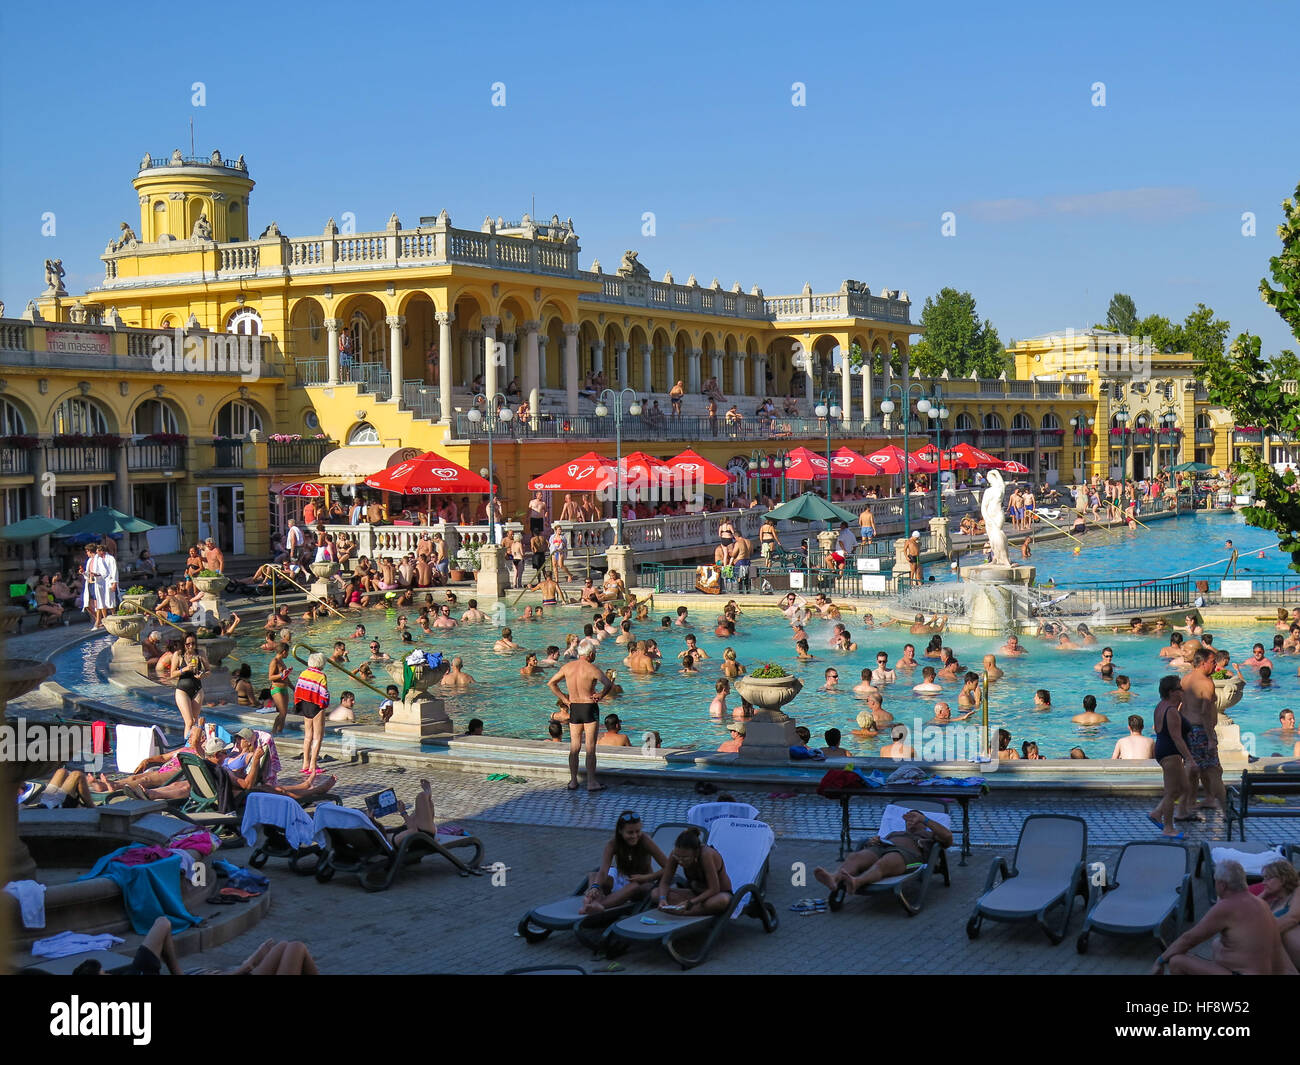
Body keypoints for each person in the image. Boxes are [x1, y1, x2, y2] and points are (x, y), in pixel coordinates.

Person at [1155, 860, 1296, 975]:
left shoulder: (1227, 907)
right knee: (1218, 945)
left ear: (1221, 885)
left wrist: (1160, 960)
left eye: (1215, 881)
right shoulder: (1260, 903)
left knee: (1177, 961)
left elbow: (1189, 939)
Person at [813, 809, 953, 902]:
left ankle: (856, 882)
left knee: (885, 863)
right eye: (908, 818)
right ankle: (834, 878)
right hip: (882, 847)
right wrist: (872, 842)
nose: (910, 820)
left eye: (914, 817)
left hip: (907, 855)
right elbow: (872, 846)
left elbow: (947, 837)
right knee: (855, 857)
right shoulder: (895, 833)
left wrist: (924, 819)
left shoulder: (929, 835)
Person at [548, 646, 614, 792]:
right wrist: (601, 695)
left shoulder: (567, 667)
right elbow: (609, 684)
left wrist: (564, 699)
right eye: (594, 654)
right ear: (590, 654)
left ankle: (573, 781)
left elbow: (551, 683)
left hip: (575, 708)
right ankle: (591, 783)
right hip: (589, 707)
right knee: (590, 747)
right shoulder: (592, 669)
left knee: (574, 746)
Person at [580, 810, 671, 915]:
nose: (635, 836)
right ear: (620, 831)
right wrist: (595, 887)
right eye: (630, 832)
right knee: (594, 875)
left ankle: (597, 904)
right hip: (621, 877)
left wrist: (646, 878)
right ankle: (593, 900)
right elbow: (603, 871)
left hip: (643, 882)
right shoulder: (613, 844)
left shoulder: (645, 841)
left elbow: (669, 867)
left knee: (633, 886)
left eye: (638, 831)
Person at [1180, 647, 1226, 813]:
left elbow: (1181, 705)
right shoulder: (1206, 684)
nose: (1215, 666)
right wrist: (1211, 739)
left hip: (1187, 730)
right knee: (1214, 769)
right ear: (1203, 663)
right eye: (1213, 662)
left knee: (1194, 768)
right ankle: (1224, 807)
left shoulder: (1185, 680)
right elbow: (1205, 713)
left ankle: (1197, 800)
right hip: (1201, 731)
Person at [654, 825, 733, 916]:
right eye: (678, 857)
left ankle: (686, 912)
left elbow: (714, 889)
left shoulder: (706, 855)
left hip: (717, 894)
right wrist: (662, 899)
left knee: (721, 901)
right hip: (695, 894)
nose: (680, 861)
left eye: (685, 858)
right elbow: (665, 882)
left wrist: (690, 903)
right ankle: (687, 908)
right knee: (656, 893)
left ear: (695, 854)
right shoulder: (675, 854)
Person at [292, 652, 330, 777]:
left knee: (308, 735)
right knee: (318, 736)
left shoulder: (303, 673)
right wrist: (324, 706)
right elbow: (323, 695)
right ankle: (313, 765)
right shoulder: (321, 676)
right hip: (316, 706)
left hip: (305, 705)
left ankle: (305, 764)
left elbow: (298, 690)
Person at [172, 634, 209, 730]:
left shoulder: (200, 653)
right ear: (183, 644)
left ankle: (193, 743)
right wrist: (185, 669)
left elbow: (208, 671)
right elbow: (172, 674)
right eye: (188, 644)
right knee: (189, 721)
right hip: (182, 690)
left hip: (197, 689)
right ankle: (187, 744)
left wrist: (203, 675)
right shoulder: (178, 655)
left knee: (195, 721)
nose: (191, 646)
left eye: (193, 643)